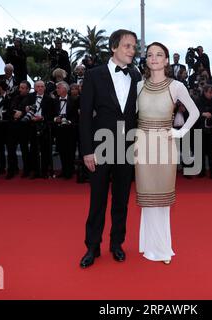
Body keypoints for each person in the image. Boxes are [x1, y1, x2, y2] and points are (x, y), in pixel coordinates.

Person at [79, 29, 141, 269]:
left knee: (122, 200)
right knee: (97, 201)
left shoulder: (136, 77)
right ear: (114, 47)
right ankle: (92, 247)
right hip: (101, 147)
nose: (132, 51)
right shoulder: (94, 75)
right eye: (127, 46)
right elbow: (85, 116)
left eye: (134, 47)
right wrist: (87, 150)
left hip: (127, 149)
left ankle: (117, 244)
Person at [135, 42, 199, 264]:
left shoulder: (177, 86)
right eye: (150, 54)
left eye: (159, 54)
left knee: (161, 198)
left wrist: (181, 133)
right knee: (146, 196)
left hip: (165, 146)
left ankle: (162, 248)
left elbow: (195, 112)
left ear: (166, 60)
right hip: (142, 146)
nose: (154, 58)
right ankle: (148, 244)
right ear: (146, 60)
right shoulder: (138, 86)